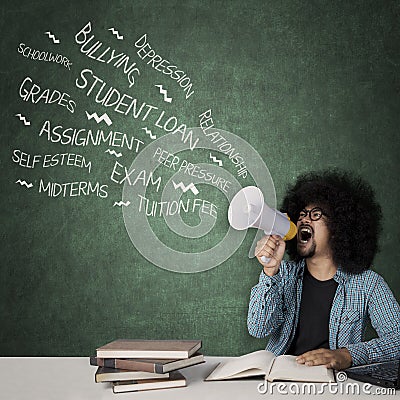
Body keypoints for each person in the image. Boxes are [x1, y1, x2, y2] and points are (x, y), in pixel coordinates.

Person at [247, 169, 400, 370]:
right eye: (301, 214)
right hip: (279, 381)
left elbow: (397, 340)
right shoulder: (282, 274)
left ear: (339, 228)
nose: (304, 220)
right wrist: (270, 271)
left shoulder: (368, 284)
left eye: (315, 214)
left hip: (335, 384)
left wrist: (347, 355)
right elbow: (258, 328)